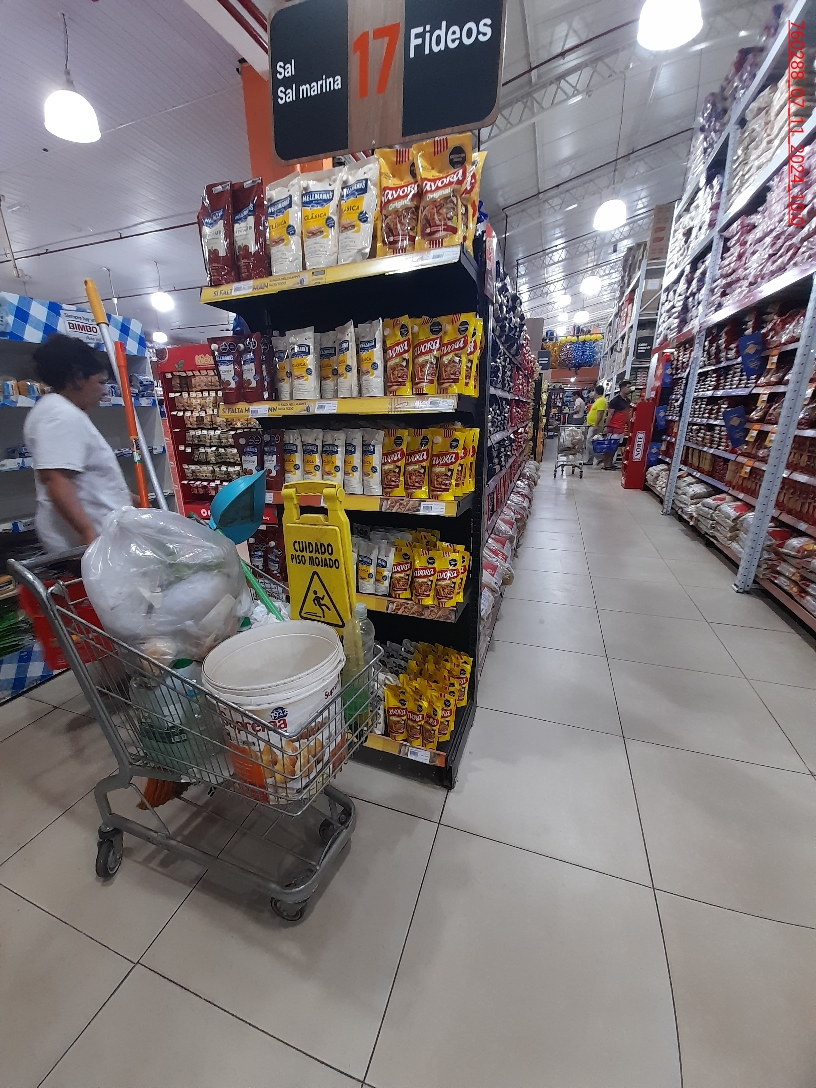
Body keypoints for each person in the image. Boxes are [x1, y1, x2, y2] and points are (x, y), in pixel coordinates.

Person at [24, 333, 132, 552]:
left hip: (103, 534)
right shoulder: (59, 415)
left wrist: (131, 499)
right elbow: (56, 479)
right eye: (100, 382)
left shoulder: (62, 411)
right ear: (77, 378)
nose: (104, 391)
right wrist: (87, 532)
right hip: (92, 540)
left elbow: (86, 479)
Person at [602, 380, 633, 470]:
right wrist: (606, 427)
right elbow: (610, 415)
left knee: (615, 447)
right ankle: (606, 464)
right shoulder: (615, 400)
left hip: (621, 428)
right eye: (628, 387)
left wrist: (629, 426)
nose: (629, 389)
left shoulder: (628, 401)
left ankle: (610, 463)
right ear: (622, 388)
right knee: (609, 446)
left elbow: (627, 415)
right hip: (613, 428)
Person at [585, 384, 608, 465]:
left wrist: (596, 425)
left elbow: (600, 413)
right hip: (592, 425)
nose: (592, 393)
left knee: (589, 442)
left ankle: (600, 457)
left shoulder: (601, 400)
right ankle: (590, 460)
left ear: (596, 392)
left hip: (595, 425)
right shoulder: (598, 400)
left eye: (593, 391)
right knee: (592, 442)